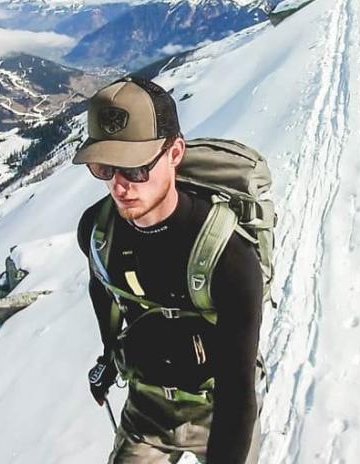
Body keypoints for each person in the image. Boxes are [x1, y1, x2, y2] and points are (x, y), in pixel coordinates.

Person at [73, 77, 264, 464]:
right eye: (105, 168)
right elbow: (104, 289)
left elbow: (238, 391)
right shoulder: (96, 231)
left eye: (136, 169)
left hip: (218, 409)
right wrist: (110, 358)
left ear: (175, 152)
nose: (120, 186)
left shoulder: (229, 257)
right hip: (146, 408)